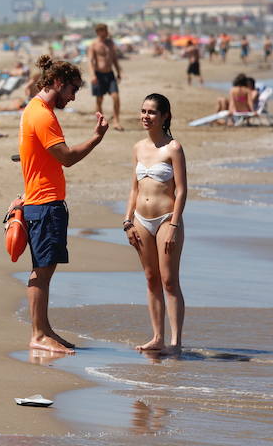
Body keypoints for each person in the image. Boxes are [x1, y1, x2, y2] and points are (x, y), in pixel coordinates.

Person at [20, 55, 108, 353]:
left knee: (44, 268)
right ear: (58, 82)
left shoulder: (34, 109)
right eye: (72, 89)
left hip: (40, 199)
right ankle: (38, 334)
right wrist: (96, 138)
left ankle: (44, 330)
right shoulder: (42, 114)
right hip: (44, 202)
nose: (73, 97)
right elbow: (66, 157)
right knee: (42, 270)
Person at [123, 94, 187, 355]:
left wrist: (173, 224)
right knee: (151, 279)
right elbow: (134, 189)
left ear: (164, 117)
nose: (145, 116)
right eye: (143, 111)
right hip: (140, 220)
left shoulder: (173, 148)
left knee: (169, 280)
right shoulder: (138, 147)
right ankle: (157, 337)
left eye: (151, 112)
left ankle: (176, 342)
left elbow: (181, 191)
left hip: (165, 219)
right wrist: (127, 220)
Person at [88, 23, 124, 130]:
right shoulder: (93, 45)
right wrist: (92, 75)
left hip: (110, 74)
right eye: (104, 30)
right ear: (99, 32)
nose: (107, 32)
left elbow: (114, 59)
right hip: (98, 75)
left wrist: (118, 72)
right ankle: (101, 121)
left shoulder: (110, 43)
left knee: (116, 97)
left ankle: (116, 121)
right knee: (99, 99)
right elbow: (90, 61)